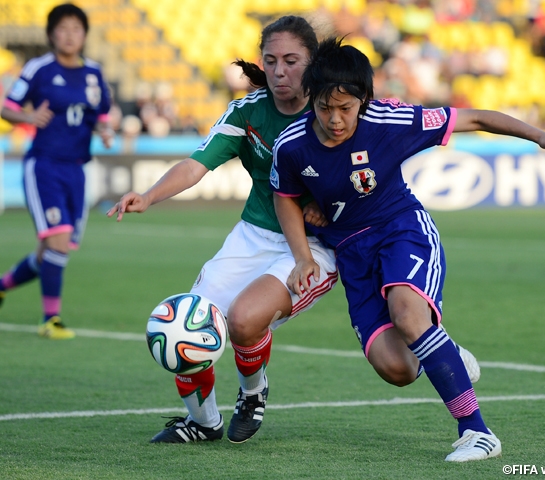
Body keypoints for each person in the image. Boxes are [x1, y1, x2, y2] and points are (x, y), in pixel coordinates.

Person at [108, 16, 479, 445]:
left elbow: (364, 170)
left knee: (244, 320)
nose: (280, 71)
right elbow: (196, 164)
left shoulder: (337, 106)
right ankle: (203, 422)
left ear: (313, 62)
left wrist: (320, 210)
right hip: (252, 236)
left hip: (313, 247)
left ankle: (252, 394)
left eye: (291, 60)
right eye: (270, 61)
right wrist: (149, 196)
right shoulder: (249, 112)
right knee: (186, 325)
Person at [271, 38, 545, 462]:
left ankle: (476, 431)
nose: (334, 119)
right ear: (311, 100)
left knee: (408, 314)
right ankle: (444, 349)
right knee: (397, 369)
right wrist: (303, 257)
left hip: (400, 229)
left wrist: (537, 135)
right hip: (350, 251)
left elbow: (473, 117)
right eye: (325, 108)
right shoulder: (291, 145)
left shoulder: (391, 120)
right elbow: (285, 196)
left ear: (364, 101)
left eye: (345, 109)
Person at [0, 3, 113, 339]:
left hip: (77, 170)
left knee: (48, 250)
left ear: (84, 35)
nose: (69, 35)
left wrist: (105, 130)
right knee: (58, 242)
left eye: (76, 29)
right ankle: (50, 319)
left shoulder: (93, 72)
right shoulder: (39, 68)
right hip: (44, 165)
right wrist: (27, 118)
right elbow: (8, 107)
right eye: (62, 29)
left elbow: (102, 112)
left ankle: (2, 285)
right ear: (51, 34)